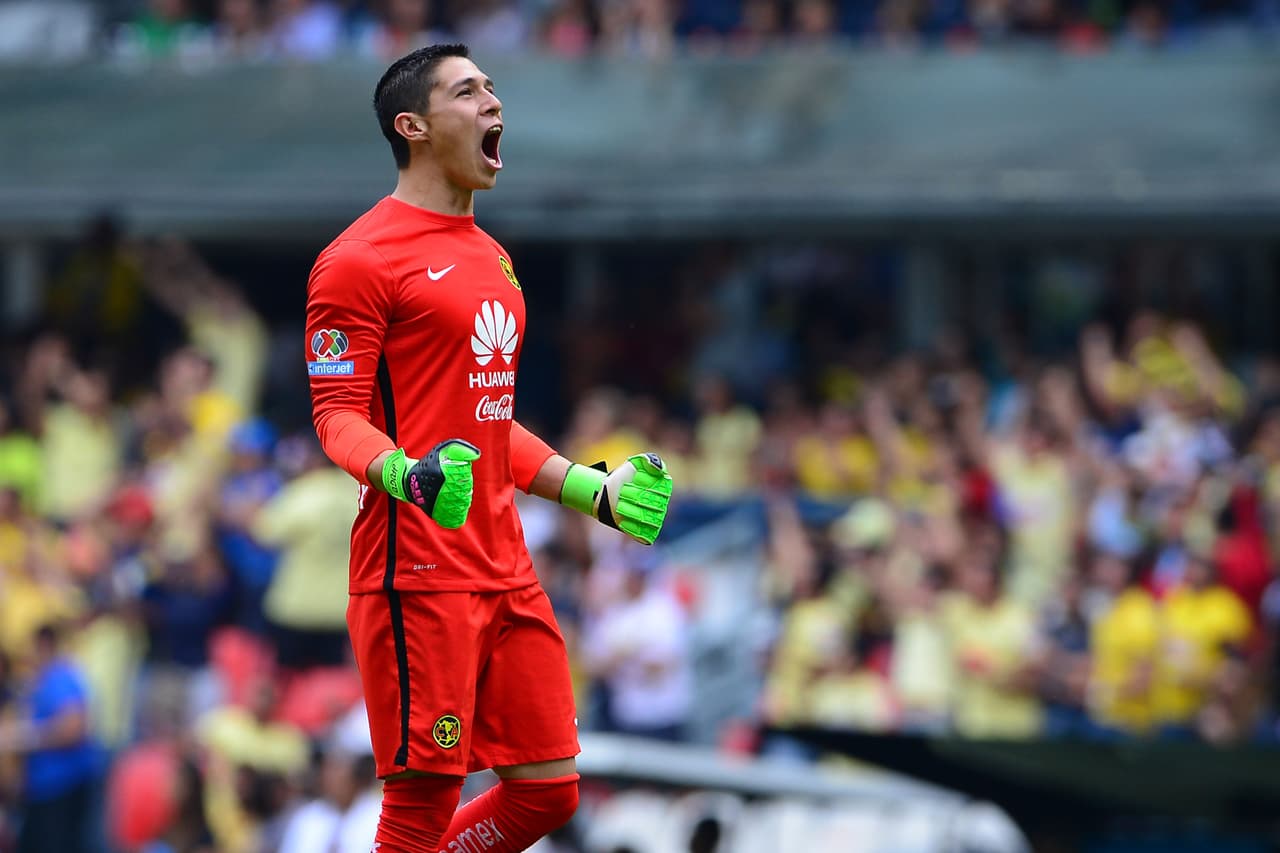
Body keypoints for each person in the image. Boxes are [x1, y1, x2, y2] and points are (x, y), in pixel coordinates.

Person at [304, 43, 674, 853]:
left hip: (506, 567)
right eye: (468, 92)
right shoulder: (356, 260)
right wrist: (407, 471)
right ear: (414, 126)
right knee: (418, 813)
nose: (493, 103)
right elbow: (334, 417)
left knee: (547, 793)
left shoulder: (494, 257)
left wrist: (590, 490)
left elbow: (485, 421)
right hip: (417, 572)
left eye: (493, 88)